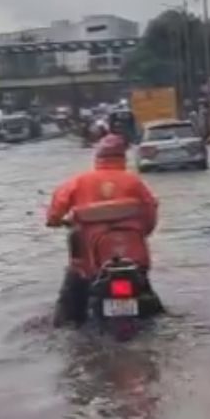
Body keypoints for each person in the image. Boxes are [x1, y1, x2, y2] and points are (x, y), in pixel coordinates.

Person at [46, 134, 160, 326]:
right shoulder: (135, 183)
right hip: (133, 259)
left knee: (66, 315)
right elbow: (150, 216)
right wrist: (141, 232)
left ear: (97, 157)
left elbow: (54, 214)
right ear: (123, 157)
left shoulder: (78, 182)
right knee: (149, 302)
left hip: (92, 262)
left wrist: (56, 221)